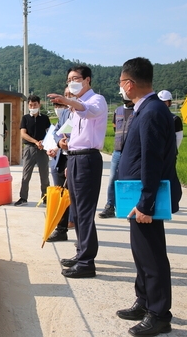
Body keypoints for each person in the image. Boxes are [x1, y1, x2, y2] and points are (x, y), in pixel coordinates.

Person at [116, 57, 182, 336]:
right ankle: (143, 300)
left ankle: (159, 314)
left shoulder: (153, 111)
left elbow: (152, 161)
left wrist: (146, 203)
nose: (121, 89)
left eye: (121, 83)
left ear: (129, 84)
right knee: (141, 253)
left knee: (153, 256)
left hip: (146, 199)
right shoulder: (145, 109)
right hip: (136, 197)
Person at [47, 65, 108, 278]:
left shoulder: (96, 100)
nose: (71, 82)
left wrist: (67, 101)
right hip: (73, 159)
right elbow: (70, 133)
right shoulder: (73, 109)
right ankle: (81, 252)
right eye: (69, 79)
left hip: (87, 159)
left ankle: (86, 262)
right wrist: (63, 144)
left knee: (84, 212)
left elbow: (88, 110)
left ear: (87, 80)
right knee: (77, 210)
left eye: (76, 78)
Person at [46, 87, 75, 242]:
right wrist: (58, 144)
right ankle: (61, 229)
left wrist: (68, 143)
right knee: (61, 195)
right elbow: (56, 131)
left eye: (71, 95)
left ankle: (78, 230)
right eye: (66, 95)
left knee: (75, 198)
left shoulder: (83, 114)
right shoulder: (64, 113)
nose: (67, 98)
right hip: (61, 158)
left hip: (75, 159)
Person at [99, 99, 134, 219]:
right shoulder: (118, 110)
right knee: (113, 179)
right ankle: (110, 206)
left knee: (132, 180)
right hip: (118, 151)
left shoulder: (139, 110)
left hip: (132, 152)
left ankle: (130, 207)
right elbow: (115, 128)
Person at [15, 95, 51, 206]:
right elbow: (23, 134)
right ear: (28, 105)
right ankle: (23, 198)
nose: (32, 106)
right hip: (29, 149)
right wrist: (35, 142)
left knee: (44, 175)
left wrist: (43, 143)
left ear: (39, 104)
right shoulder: (25, 118)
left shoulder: (45, 118)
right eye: (30, 105)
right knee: (26, 175)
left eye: (35, 104)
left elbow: (50, 133)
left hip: (42, 149)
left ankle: (45, 197)